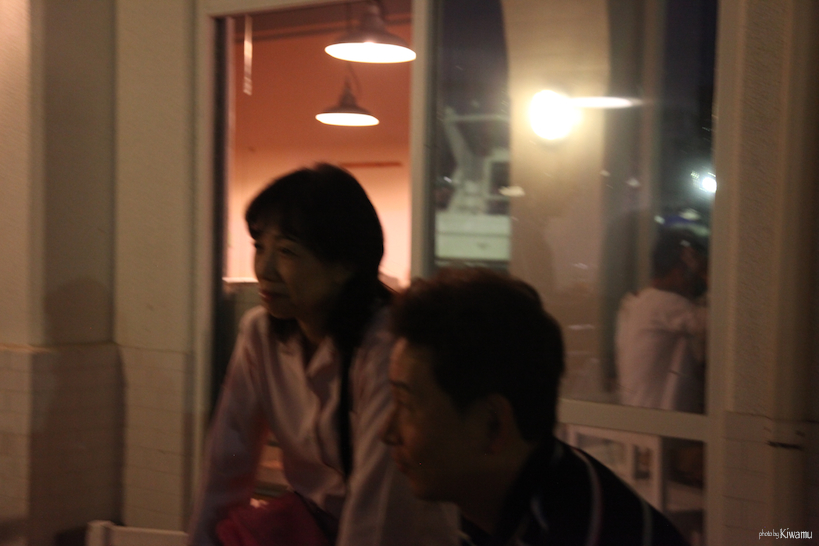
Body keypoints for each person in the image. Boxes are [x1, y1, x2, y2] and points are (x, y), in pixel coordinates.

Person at [188, 164, 458, 546]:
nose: (264, 269)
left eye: (287, 251)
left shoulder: (388, 350)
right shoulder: (260, 334)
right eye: (259, 247)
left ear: (344, 266)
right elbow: (226, 465)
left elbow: (379, 512)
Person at [381, 267, 688, 546]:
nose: (387, 432)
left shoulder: (584, 532)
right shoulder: (492, 512)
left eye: (406, 404)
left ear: (493, 424)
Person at [615, 229, 708, 412]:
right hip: (661, 420)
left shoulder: (636, 302)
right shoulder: (666, 303)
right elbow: (723, 324)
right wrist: (706, 271)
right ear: (681, 271)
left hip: (639, 414)